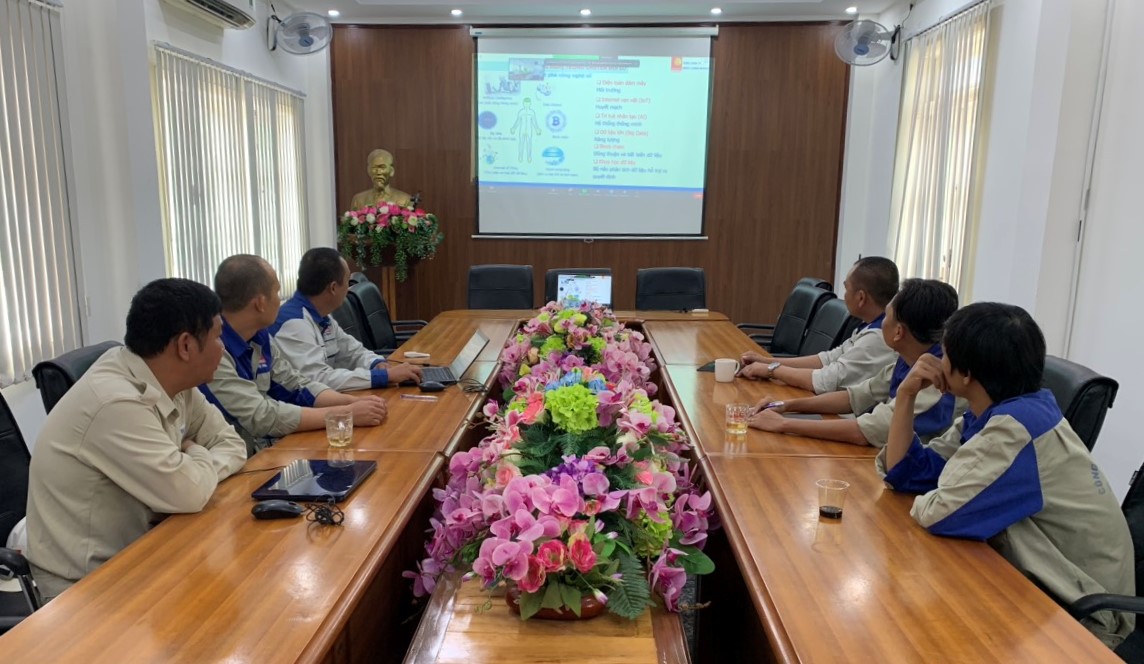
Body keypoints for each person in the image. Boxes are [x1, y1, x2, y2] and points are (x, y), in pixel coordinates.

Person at [880, 302, 1134, 648]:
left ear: (966, 374)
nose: (938, 360)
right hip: (1046, 582)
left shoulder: (1015, 429)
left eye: (945, 352)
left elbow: (936, 513)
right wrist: (906, 395)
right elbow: (907, 473)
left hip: (1086, 613)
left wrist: (938, 492)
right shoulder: (996, 412)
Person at [25, 279, 248, 600]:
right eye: (217, 336)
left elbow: (232, 444)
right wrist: (197, 458)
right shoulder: (115, 402)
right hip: (85, 588)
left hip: (147, 553)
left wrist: (193, 460)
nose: (223, 348)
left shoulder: (175, 381)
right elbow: (189, 493)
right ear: (185, 346)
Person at [200, 255, 388, 456]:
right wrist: (344, 414)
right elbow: (261, 417)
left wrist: (349, 402)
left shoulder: (259, 335)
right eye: (277, 292)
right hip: (234, 459)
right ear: (260, 303)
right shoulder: (213, 351)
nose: (280, 300)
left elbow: (295, 384)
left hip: (263, 450)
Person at [747, 279, 962, 447]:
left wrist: (784, 424)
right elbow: (855, 397)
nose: (882, 322)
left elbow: (866, 432)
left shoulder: (936, 379)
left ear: (898, 332)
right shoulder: (912, 359)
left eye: (887, 316)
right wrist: (785, 406)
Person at [271, 247, 422, 391]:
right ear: (333, 288)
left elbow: (352, 351)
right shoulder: (293, 324)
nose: (349, 288)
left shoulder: (321, 315)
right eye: (347, 281)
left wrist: (377, 364)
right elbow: (318, 379)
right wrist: (383, 376)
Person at [740, 257, 899, 393]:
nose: (844, 295)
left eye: (846, 288)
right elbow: (827, 359)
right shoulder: (870, 326)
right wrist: (766, 361)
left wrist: (771, 371)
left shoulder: (878, 339)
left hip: (846, 415)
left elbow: (826, 381)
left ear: (861, 297)